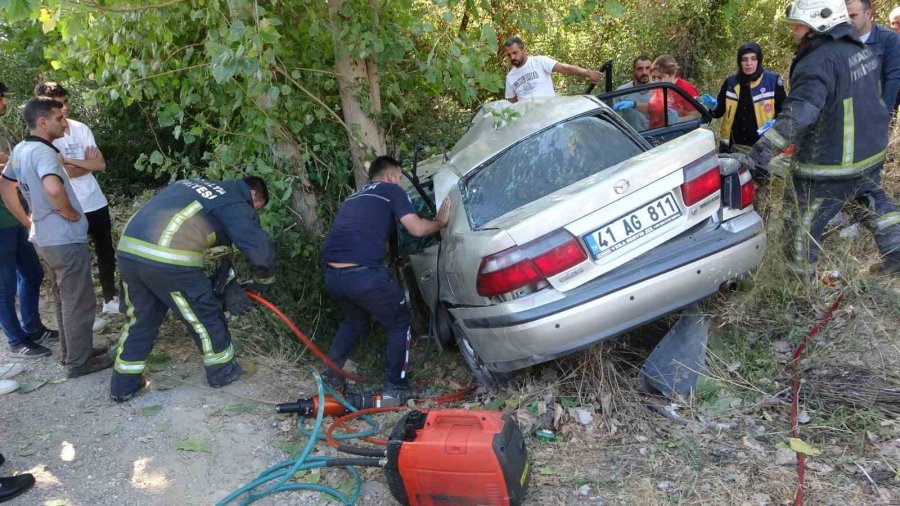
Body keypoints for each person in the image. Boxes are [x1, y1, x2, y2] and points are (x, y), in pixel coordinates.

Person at [734, 0, 899, 276]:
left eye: (798, 25)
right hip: (868, 153)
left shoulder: (816, 61)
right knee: (875, 205)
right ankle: (897, 254)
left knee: (802, 224)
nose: (793, 31)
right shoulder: (857, 48)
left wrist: (760, 152)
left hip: (831, 163)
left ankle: (797, 287)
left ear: (817, 25)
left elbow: (800, 113)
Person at [110, 177, 276, 402]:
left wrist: (228, 280)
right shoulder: (234, 202)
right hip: (168, 257)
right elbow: (259, 250)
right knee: (203, 314)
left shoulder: (193, 186)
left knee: (141, 318)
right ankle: (223, 371)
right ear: (254, 194)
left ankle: (123, 385)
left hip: (129, 250)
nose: (256, 211)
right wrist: (262, 281)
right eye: (259, 206)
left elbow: (215, 249)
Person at [321, 156, 450, 400]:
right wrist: (440, 221)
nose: (400, 182)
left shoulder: (354, 197)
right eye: (400, 177)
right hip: (364, 274)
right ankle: (396, 387)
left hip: (333, 276)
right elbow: (417, 229)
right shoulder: (391, 190)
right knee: (399, 322)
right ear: (391, 176)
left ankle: (331, 375)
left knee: (354, 320)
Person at [0, 98, 113, 378]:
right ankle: (79, 363)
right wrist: (69, 211)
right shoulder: (44, 153)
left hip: (46, 238)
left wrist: (27, 221)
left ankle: (73, 352)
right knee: (79, 300)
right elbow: (52, 187)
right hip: (63, 238)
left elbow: (5, 184)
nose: (64, 123)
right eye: (58, 119)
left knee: (64, 298)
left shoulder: (21, 150)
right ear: (42, 122)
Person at [34, 83, 120, 335]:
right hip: (68, 205)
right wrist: (84, 163)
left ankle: (110, 299)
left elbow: (99, 164)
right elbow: (57, 175)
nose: (64, 108)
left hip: (95, 200)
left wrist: (70, 161)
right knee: (77, 262)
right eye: (58, 104)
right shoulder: (43, 137)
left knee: (106, 250)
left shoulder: (81, 128)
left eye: (65, 102)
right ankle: (82, 317)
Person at [0, 83, 57, 359]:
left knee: (32, 273)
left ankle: (33, 328)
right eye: (1, 98)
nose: (4, 103)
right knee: (4, 285)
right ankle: (16, 340)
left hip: (14, 215)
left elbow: (9, 169)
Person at [710, 42, 787, 153]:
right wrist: (710, 106)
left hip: (763, 147)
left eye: (753, 59)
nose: (749, 63)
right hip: (734, 145)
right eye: (744, 59)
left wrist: (776, 124)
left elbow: (784, 112)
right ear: (739, 62)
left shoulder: (773, 81)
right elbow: (717, 112)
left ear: (759, 60)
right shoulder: (731, 82)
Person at [614, 55, 703, 129]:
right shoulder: (659, 88)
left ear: (673, 74)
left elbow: (696, 115)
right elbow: (654, 109)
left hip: (683, 136)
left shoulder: (686, 89)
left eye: (660, 77)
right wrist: (634, 104)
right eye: (654, 77)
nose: (656, 81)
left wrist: (678, 120)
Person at [504, 36, 603, 102]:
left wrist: (587, 73)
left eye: (515, 53)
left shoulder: (539, 62)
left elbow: (565, 68)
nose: (512, 57)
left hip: (550, 116)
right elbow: (513, 104)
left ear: (524, 51)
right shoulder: (510, 77)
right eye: (509, 55)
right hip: (530, 125)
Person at [845, 0, 900, 113]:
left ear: (868, 14)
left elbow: (894, 79)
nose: (848, 21)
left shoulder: (889, 39)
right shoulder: (839, 40)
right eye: (845, 17)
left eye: (853, 16)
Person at [613, 56, 654, 131]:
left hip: (657, 136)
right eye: (640, 69)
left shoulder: (661, 90)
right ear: (634, 71)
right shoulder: (621, 91)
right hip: (632, 139)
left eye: (647, 68)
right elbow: (615, 119)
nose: (644, 72)